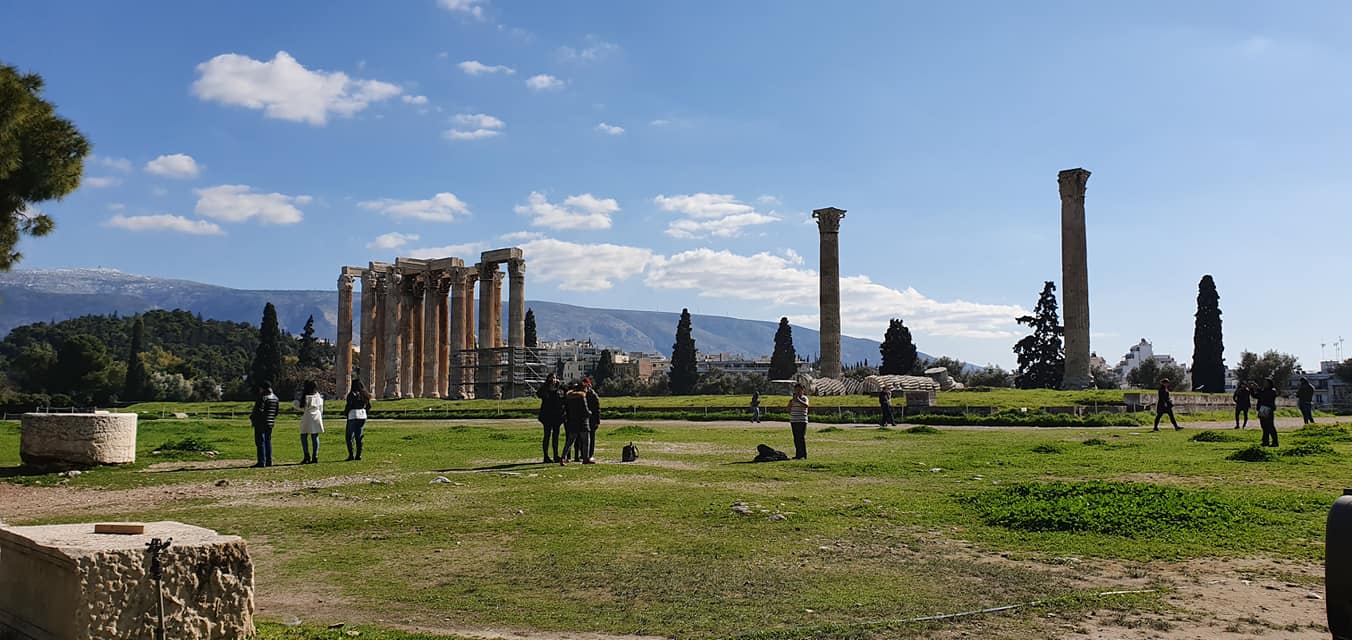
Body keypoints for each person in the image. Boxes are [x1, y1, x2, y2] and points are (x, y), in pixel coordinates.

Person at [249, 381, 280, 468]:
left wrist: (253, 418)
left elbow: (258, 410)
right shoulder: (276, 398)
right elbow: (276, 412)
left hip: (260, 422)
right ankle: (269, 460)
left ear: (262, 388)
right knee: (268, 441)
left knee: (260, 442)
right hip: (270, 422)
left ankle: (261, 461)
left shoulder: (263, 397)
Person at [561, 381, 592, 465]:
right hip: (582, 422)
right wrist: (590, 413)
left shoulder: (569, 397)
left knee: (570, 441)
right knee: (586, 441)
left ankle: (563, 457)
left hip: (572, 421)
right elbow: (585, 410)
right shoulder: (582, 397)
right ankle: (586, 458)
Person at [294, 380, 325, 464]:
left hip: (308, 416)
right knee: (315, 436)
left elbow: (299, 406)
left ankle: (306, 455)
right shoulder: (319, 397)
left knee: (304, 435)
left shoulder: (305, 396)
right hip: (317, 415)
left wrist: (295, 402)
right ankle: (315, 456)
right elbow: (321, 408)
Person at [537, 373, 565, 463]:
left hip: (557, 416)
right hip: (547, 416)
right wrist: (546, 385)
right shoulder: (545, 389)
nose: (554, 379)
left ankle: (556, 455)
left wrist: (559, 384)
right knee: (547, 436)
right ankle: (546, 456)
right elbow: (538, 393)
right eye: (552, 378)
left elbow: (566, 392)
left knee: (556, 436)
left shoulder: (559, 389)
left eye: (555, 377)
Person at [343, 379, 371, 461]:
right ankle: (359, 455)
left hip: (353, 415)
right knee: (359, 436)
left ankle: (351, 455)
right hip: (362, 415)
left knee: (349, 436)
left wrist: (346, 412)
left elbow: (349, 405)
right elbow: (369, 406)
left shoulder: (351, 395)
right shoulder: (365, 394)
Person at [1255, 378, 1280, 447]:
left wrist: (1258, 389)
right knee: (1264, 426)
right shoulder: (1263, 391)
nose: (1264, 384)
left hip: (1268, 410)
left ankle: (1275, 442)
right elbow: (1256, 396)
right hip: (1262, 409)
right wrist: (1252, 389)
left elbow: (1264, 395)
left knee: (1270, 426)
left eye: (1266, 383)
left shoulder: (1272, 391)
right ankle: (1265, 441)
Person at [788, 382, 810, 460]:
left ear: (802, 391)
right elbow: (789, 409)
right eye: (796, 390)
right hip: (794, 420)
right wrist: (790, 403)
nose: (797, 392)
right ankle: (798, 454)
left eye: (799, 390)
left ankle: (803, 455)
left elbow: (806, 405)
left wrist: (798, 400)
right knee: (796, 438)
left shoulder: (804, 398)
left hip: (802, 421)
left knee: (801, 438)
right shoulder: (792, 400)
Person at [584, 377, 601, 462]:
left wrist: (597, 421)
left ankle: (590, 454)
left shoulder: (593, 395)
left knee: (591, 437)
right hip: (584, 419)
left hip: (592, 419)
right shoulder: (582, 394)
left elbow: (597, 409)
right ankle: (584, 454)